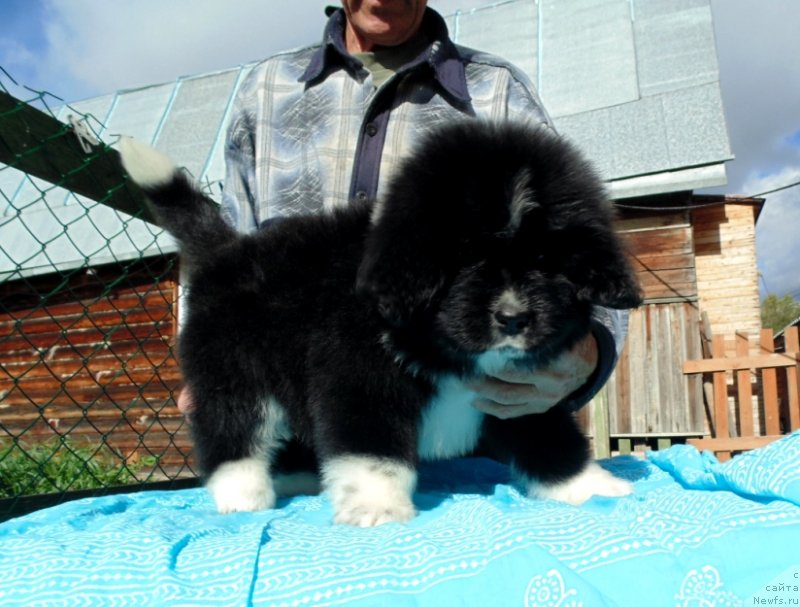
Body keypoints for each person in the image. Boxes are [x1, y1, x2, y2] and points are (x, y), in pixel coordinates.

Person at [177, 0, 628, 422]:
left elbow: (585, 247)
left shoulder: (497, 94)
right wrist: (215, 353)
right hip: (295, 428)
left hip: (463, 437)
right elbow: (230, 262)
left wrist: (587, 355)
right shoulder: (266, 92)